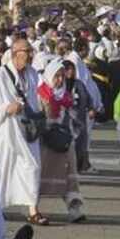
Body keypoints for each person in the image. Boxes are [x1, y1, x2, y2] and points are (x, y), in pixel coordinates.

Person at [0, 37, 43, 224]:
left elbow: (34, 99)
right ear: (16, 54)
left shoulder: (32, 74)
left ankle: (33, 208)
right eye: (27, 52)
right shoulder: (1, 75)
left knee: (32, 166)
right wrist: (7, 108)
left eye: (31, 52)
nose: (31, 56)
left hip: (27, 130)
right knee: (3, 169)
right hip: (7, 131)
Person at [36, 60, 87, 223]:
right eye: (56, 76)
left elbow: (74, 115)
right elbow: (37, 115)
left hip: (64, 139)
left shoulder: (66, 96)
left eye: (61, 76)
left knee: (69, 174)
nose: (59, 80)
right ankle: (33, 206)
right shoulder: (40, 93)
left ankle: (74, 208)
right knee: (39, 174)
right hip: (45, 141)